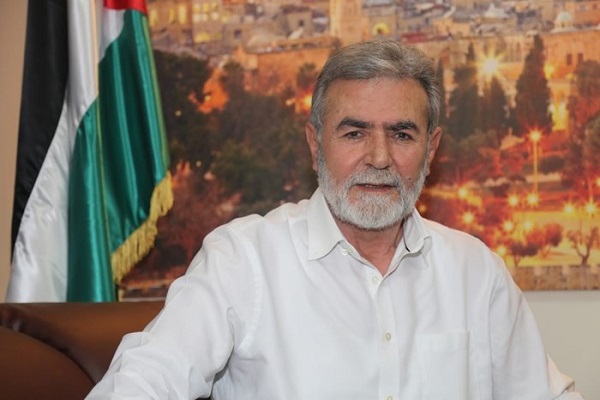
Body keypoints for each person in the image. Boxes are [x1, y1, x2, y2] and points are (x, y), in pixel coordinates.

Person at [87, 39, 584, 399]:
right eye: (354, 133)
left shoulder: (475, 272)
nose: (380, 158)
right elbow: (143, 382)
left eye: (402, 134)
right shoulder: (243, 262)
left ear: (430, 149)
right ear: (315, 143)